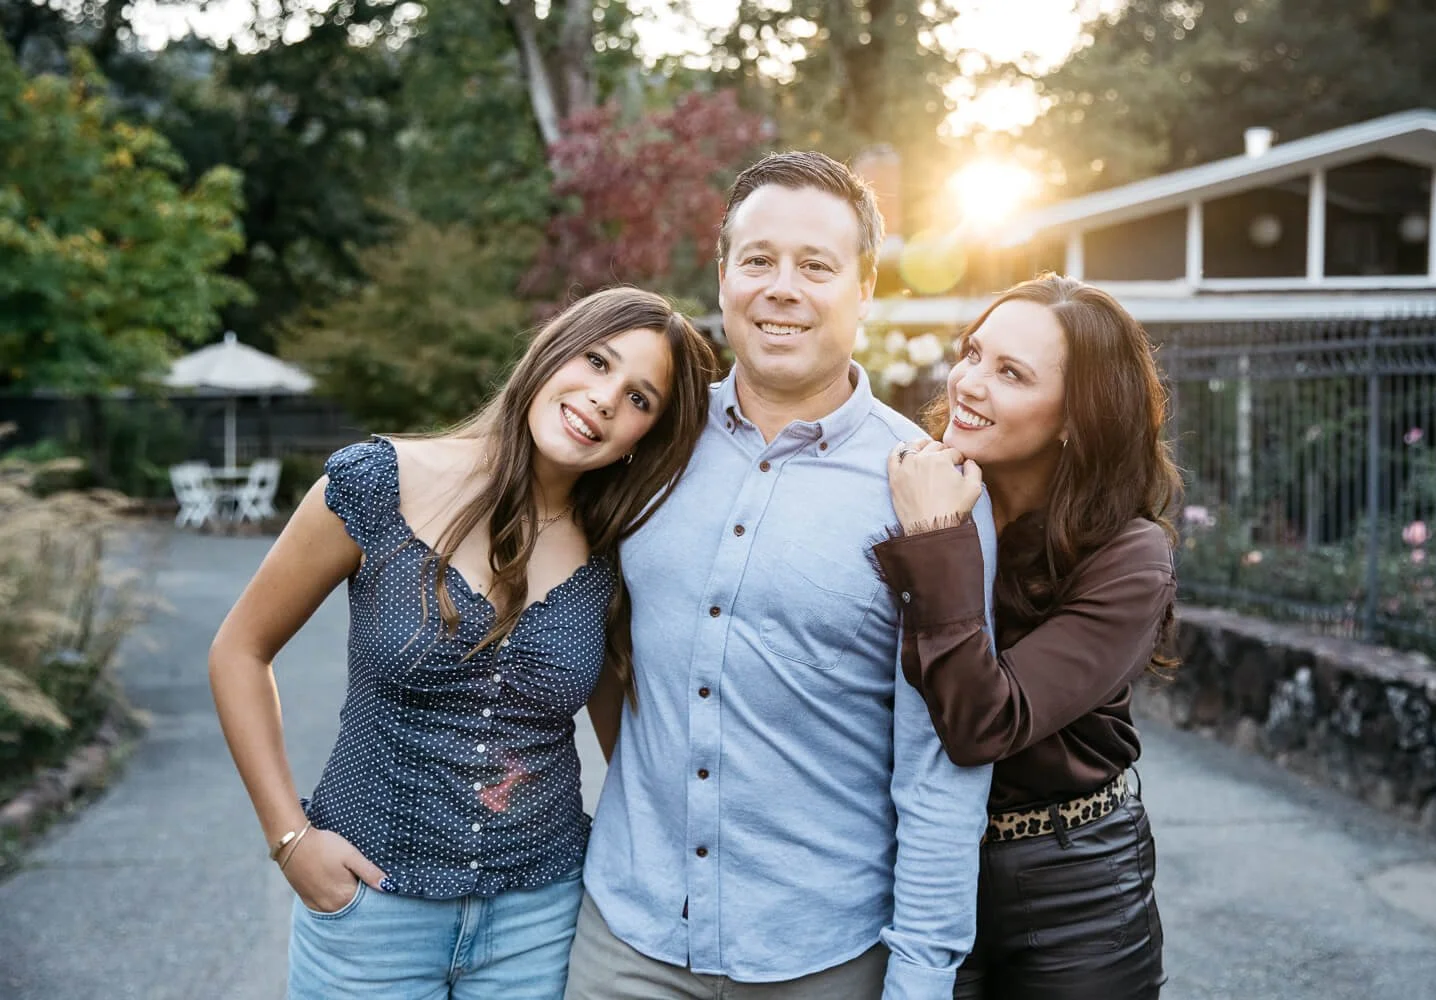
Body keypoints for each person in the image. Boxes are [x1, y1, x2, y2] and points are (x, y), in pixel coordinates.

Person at [564, 152, 993, 1000]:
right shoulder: (643, 446)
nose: (781, 287)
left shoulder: (927, 489)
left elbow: (940, 770)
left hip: (823, 958)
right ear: (723, 275)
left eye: (816, 266)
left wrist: (920, 978)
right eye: (758, 259)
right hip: (627, 942)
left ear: (865, 288)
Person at [208, 286, 717, 1000]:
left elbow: (635, 744)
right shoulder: (375, 485)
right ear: (551, 354)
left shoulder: (615, 553)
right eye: (597, 362)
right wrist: (290, 840)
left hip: (541, 921)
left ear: (647, 435)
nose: (605, 399)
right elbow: (239, 650)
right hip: (367, 912)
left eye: (640, 399)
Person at [873, 274, 1181, 1000]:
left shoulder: (1129, 557)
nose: (970, 383)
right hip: (919, 866)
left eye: (1011, 374)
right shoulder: (913, 484)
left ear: (1077, 417)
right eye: (974, 354)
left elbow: (985, 720)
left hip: (1072, 886)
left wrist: (936, 537)